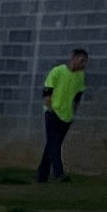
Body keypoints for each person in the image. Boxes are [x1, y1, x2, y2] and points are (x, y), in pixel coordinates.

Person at [38, 47, 88, 183]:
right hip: (53, 113)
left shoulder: (80, 76)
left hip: (66, 116)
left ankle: (41, 176)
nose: (83, 65)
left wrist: (73, 114)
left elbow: (78, 96)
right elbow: (47, 93)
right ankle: (58, 173)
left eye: (85, 62)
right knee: (54, 145)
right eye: (81, 61)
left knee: (52, 145)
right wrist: (50, 109)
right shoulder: (57, 71)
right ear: (73, 58)